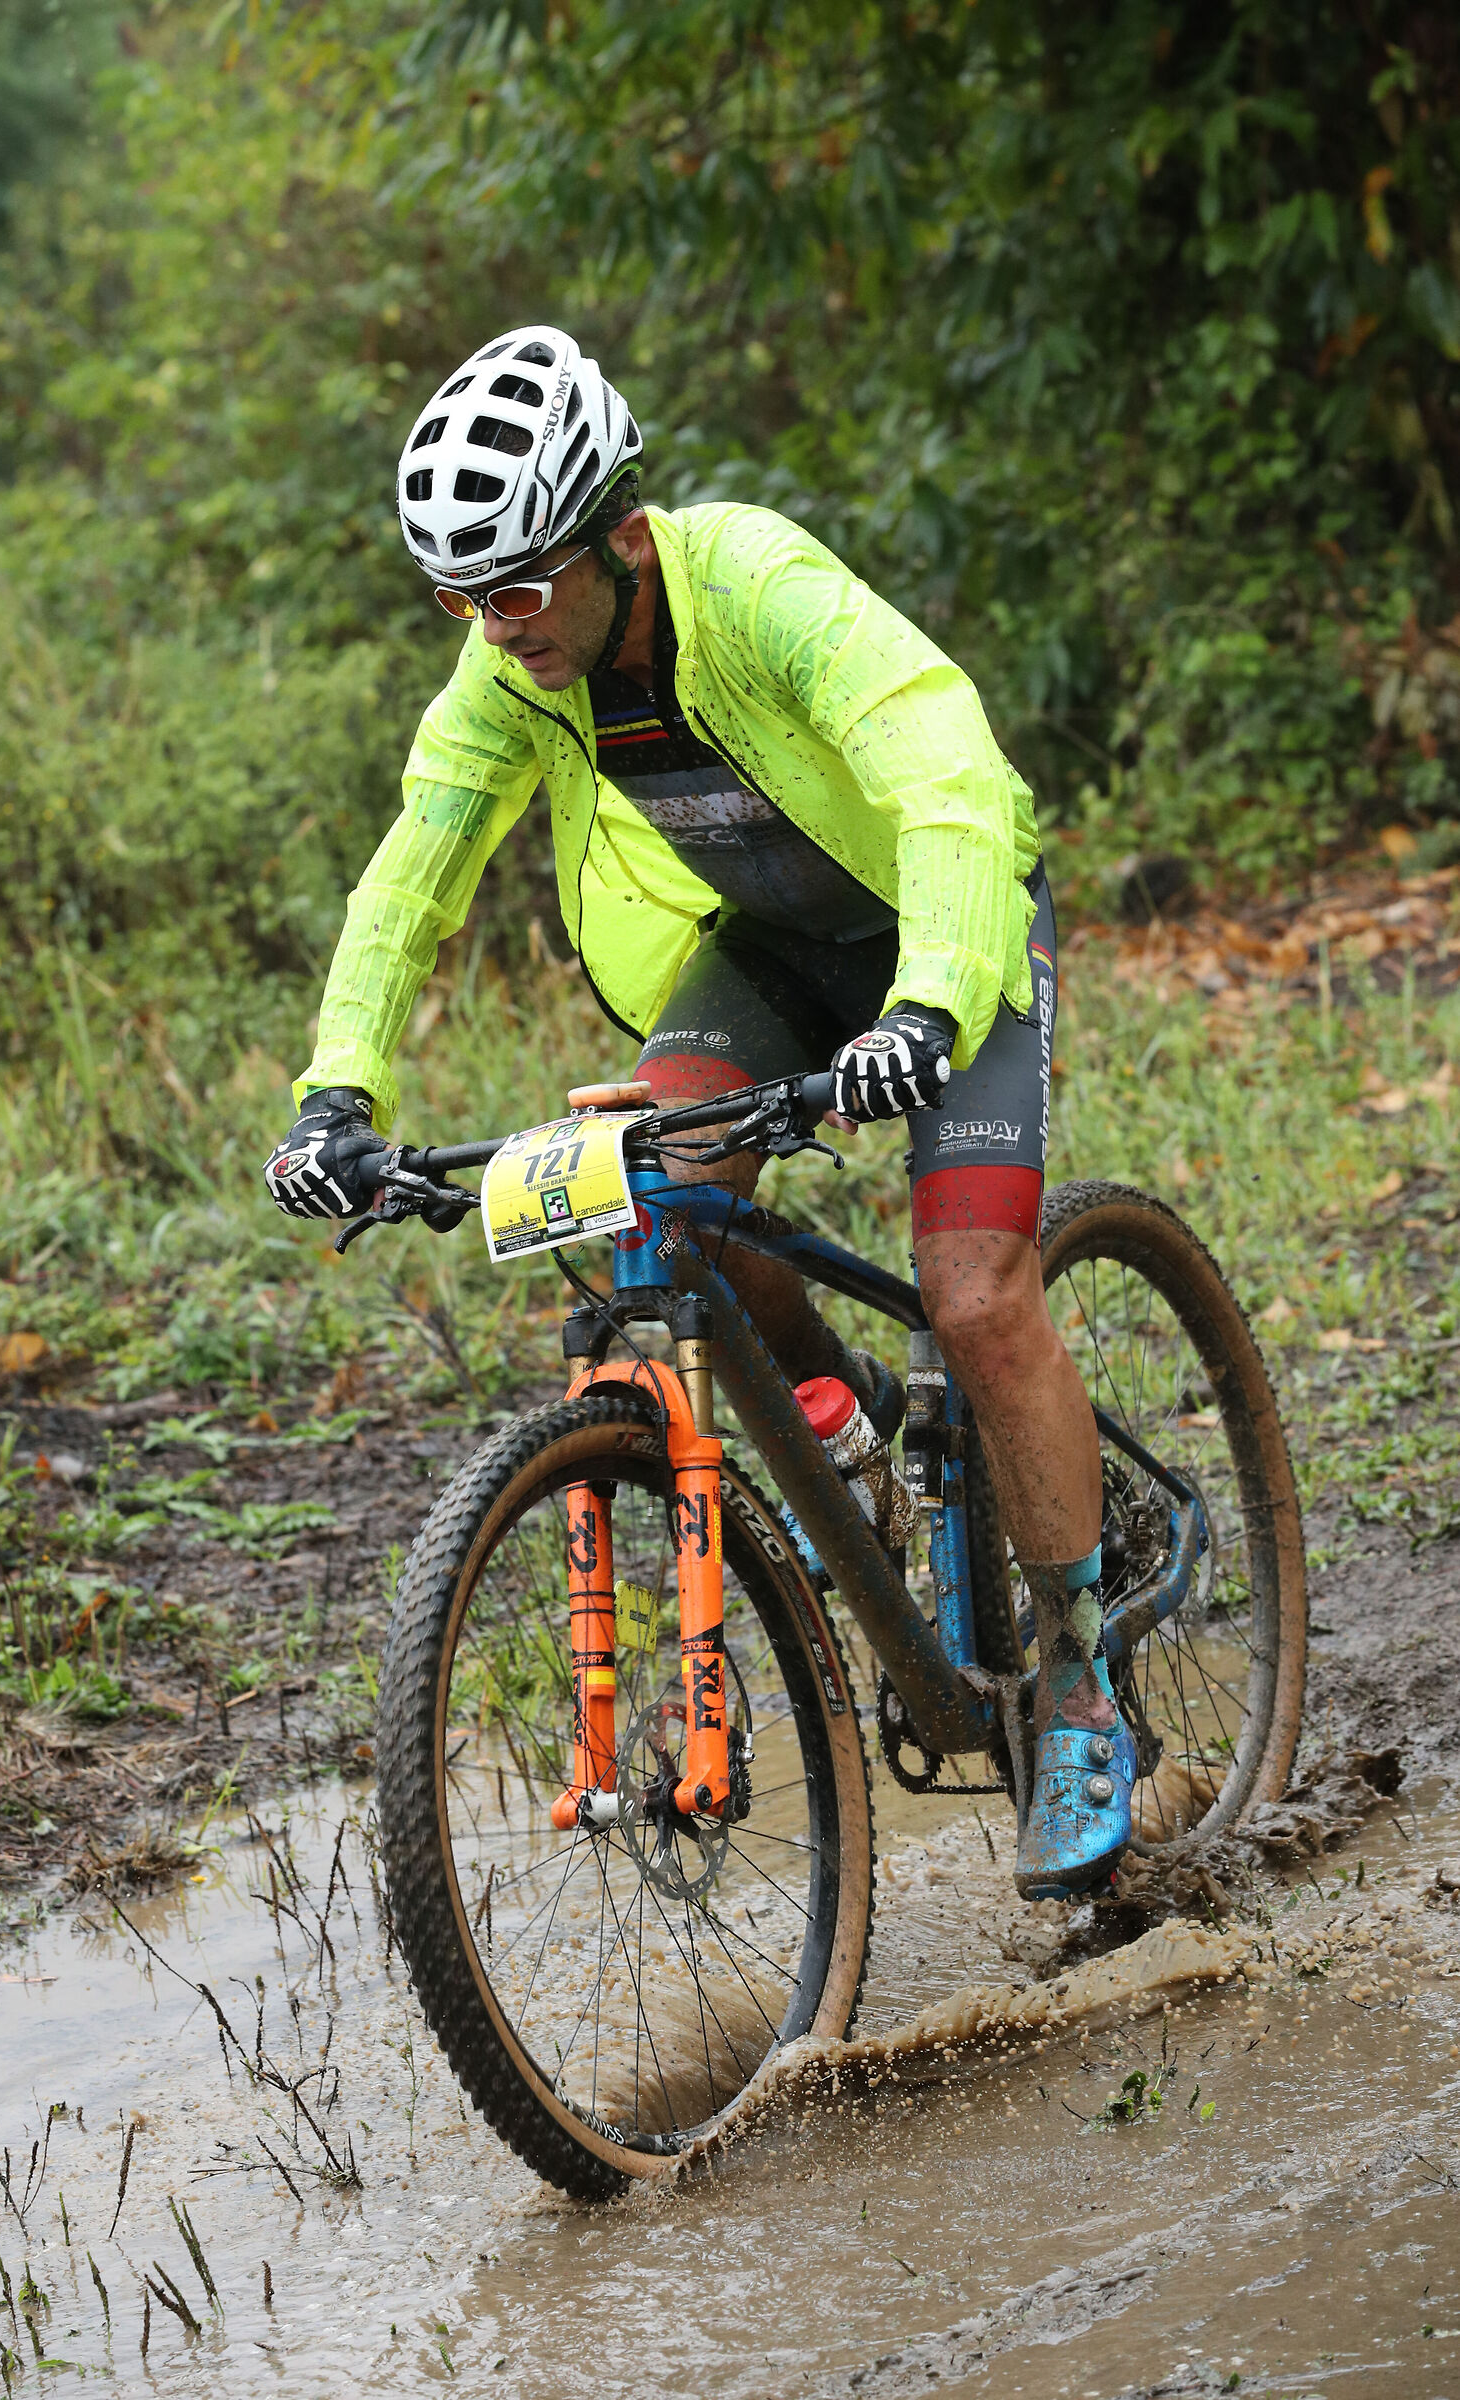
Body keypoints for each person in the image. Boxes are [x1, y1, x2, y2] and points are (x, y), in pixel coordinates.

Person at [263, 325, 1132, 1900]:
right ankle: (846, 1425)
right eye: (458, 595)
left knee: (975, 1289)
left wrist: (930, 1001)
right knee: (651, 1195)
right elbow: (412, 875)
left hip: (948, 919)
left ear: (611, 533)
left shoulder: (755, 584)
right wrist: (339, 1092)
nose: (492, 626)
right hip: (768, 955)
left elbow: (938, 767)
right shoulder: (512, 675)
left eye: (517, 586)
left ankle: (1074, 1673)